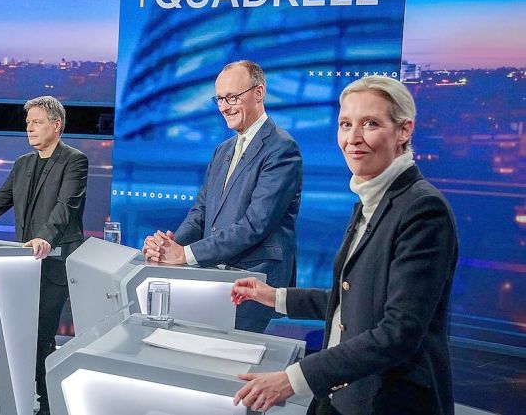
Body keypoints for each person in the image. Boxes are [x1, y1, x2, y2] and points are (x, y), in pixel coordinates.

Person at [230, 76, 458, 415]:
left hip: (388, 401)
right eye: (345, 124)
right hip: (342, 396)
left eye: (370, 124)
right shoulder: (371, 201)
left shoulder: (423, 209)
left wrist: (293, 379)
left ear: (404, 131)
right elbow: (355, 302)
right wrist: (273, 296)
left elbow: (398, 332)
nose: (353, 138)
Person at [0, 95, 88, 415]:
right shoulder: (23, 163)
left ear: (56, 125)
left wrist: (45, 238)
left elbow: (66, 207)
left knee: (41, 338)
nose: (30, 129)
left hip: (53, 261)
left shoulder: (75, 161)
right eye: (27, 124)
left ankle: (47, 405)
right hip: (22, 265)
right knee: (18, 337)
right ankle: (22, 400)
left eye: (36, 123)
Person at [142, 60, 302, 332]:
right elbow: (201, 211)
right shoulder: (223, 150)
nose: (224, 107)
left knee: (231, 368)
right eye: (219, 99)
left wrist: (185, 254)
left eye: (232, 97)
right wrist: (170, 247)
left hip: (254, 280)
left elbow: (255, 225)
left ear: (259, 93)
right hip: (216, 276)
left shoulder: (282, 149)